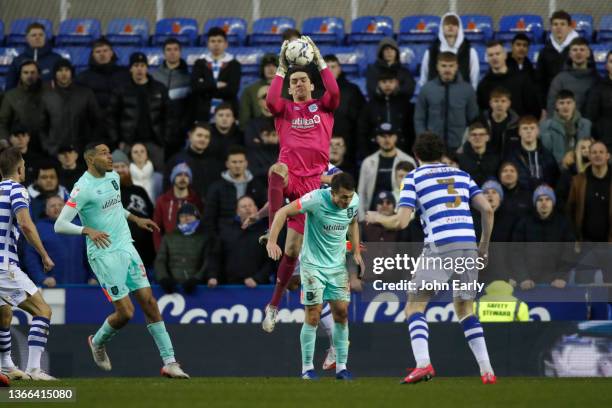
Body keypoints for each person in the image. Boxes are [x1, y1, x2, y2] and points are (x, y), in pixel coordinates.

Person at [365, 131, 496, 384]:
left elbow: (401, 221)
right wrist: (484, 246)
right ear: (441, 154)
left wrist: (377, 217)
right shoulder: (461, 175)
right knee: (466, 310)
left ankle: (423, 364)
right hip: (468, 246)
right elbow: (488, 210)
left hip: (441, 246)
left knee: (414, 306)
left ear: (416, 155)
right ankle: (487, 370)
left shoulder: (413, 177)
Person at [53, 142, 189, 378]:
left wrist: (136, 219)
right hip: (104, 254)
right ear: (90, 159)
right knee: (125, 312)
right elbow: (60, 224)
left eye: (109, 153)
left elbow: (115, 208)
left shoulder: (114, 177)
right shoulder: (82, 188)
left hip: (126, 247)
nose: (110, 158)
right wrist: (87, 230)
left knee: (149, 303)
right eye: (104, 154)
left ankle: (170, 362)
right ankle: (97, 342)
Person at [261, 36, 340, 332]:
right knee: (276, 169)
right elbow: (270, 100)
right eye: (293, 81)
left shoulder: (324, 108)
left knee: (294, 253)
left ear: (311, 84)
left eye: (302, 80)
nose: (298, 85)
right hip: (292, 178)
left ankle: (275, 305)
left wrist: (319, 59)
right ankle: (272, 229)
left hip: (316, 185)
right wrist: (281, 67)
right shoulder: (284, 111)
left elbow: (334, 90)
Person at [266, 172, 363, 380]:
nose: (347, 201)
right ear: (332, 193)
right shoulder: (316, 199)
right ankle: (307, 369)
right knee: (313, 315)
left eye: (349, 196)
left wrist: (355, 250)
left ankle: (342, 368)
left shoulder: (354, 201)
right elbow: (283, 212)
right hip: (312, 267)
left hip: (337, 267)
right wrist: (272, 241)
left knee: (342, 314)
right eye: (343, 197)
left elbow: (353, 222)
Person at [0, 147, 57, 380]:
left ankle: (5, 365)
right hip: (4, 265)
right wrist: (43, 254)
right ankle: (34, 368)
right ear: (21, 168)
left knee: (4, 314)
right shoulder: (17, 189)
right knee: (43, 310)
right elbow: (25, 224)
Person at [107, 52, 169, 170]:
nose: (139, 69)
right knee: (127, 179)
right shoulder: (121, 89)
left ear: (147, 68)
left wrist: (164, 139)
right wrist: (117, 141)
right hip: (128, 143)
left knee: (157, 178)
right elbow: (111, 117)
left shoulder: (159, 88)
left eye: (142, 65)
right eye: (136, 65)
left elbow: (169, 116)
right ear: (130, 68)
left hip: (155, 142)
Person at [512, 185, 575, 289]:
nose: (544, 203)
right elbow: (516, 253)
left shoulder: (563, 224)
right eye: (540, 200)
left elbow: (569, 252)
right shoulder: (524, 224)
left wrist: (562, 277)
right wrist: (523, 278)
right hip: (529, 284)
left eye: (547, 199)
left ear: (552, 202)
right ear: (535, 203)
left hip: (556, 283)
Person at [415, 52, 479, 152]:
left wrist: (467, 143)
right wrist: (424, 141)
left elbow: (473, 120)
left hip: (460, 147)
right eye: (443, 66)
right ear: (437, 67)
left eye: (451, 66)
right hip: (432, 147)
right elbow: (419, 119)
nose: (447, 69)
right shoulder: (427, 89)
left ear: (456, 66)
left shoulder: (467, 90)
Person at [24, 196, 94, 287]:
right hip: (51, 286)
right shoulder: (38, 229)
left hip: (81, 285)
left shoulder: (80, 226)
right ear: (46, 211)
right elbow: (31, 258)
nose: (57, 208)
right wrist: (41, 278)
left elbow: (92, 254)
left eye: (61, 205)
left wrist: (94, 277)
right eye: (52, 206)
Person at [40, 58, 103, 156]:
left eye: (66, 70)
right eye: (60, 70)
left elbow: (96, 121)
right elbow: (42, 126)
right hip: (55, 151)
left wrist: (91, 145)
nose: (63, 74)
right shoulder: (47, 96)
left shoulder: (85, 94)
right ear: (55, 74)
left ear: (71, 72)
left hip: (82, 150)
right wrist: (48, 146)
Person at [207, 196, 272, 286]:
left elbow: (272, 261)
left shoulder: (266, 232)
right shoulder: (227, 231)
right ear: (237, 211)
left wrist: (258, 279)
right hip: (230, 287)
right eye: (244, 206)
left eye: (250, 205)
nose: (248, 208)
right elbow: (216, 256)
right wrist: (212, 276)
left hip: (258, 287)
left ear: (257, 208)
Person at [204, 146, 266, 235]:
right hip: (226, 235)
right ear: (227, 164)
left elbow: (265, 209)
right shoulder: (216, 188)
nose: (237, 165)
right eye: (234, 162)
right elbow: (209, 217)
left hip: (254, 232)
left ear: (246, 163)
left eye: (240, 162)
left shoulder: (257, 185)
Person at [357, 123, 415, 218]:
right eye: (383, 136)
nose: (387, 140)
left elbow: (414, 190)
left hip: (398, 216)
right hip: (372, 216)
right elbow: (361, 192)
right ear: (377, 139)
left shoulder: (408, 161)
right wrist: (362, 217)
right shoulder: (368, 162)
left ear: (396, 137)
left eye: (390, 136)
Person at [358, 67, 415, 159]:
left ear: (396, 83)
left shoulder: (406, 105)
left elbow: (411, 131)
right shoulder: (369, 106)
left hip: (403, 151)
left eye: (391, 82)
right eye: (384, 82)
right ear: (378, 83)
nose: (387, 85)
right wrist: (366, 154)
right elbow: (362, 132)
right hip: (375, 152)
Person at [112, 150, 156, 269]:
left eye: (123, 166)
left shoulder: (139, 191)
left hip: (144, 256)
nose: (120, 170)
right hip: (116, 258)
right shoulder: (103, 193)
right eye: (116, 167)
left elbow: (152, 218)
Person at [155, 203, 209, 295]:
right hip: (172, 287)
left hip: (198, 289)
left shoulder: (205, 238)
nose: (186, 218)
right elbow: (160, 260)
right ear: (178, 219)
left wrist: (197, 279)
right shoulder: (168, 237)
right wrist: (163, 278)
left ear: (197, 217)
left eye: (190, 215)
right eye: (183, 216)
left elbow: (208, 261)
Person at [151, 38, 192, 156]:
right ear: (164, 53)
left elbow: (190, 106)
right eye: (168, 49)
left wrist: (183, 126)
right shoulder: (154, 76)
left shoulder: (188, 78)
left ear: (180, 52)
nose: (172, 52)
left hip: (180, 131)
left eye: (175, 49)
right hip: (158, 129)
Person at [476, 41, 540, 117]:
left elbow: (534, 109)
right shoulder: (483, 85)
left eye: (497, 54)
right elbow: (482, 113)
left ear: (505, 55)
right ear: (487, 59)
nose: (494, 57)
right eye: (491, 55)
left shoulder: (522, 79)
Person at [192, 27, 242, 122]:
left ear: (226, 44)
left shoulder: (234, 64)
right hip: (203, 112)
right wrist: (216, 84)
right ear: (208, 44)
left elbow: (232, 90)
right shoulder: (199, 63)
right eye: (213, 41)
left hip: (228, 111)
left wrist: (205, 86)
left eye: (219, 41)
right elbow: (195, 87)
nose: (216, 44)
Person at [419, 13, 480, 89]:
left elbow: (474, 80)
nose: (450, 26)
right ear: (442, 27)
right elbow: (424, 79)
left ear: (459, 28)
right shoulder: (431, 52)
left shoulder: (470, 51)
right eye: (447, 24)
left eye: (454, 24)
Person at [164, 122, 224, 200]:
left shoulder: (215, 162)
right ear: (190, 136)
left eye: (207, 137)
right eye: (199, 135)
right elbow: (168, 187)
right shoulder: (176, 160)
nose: (203, 139)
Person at [567, 141, 612, 242]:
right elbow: (570, 211)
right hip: (586, 243)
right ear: (589, 156)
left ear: (607, 156)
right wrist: (575, 237)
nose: (598, 155)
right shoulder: (578, 181)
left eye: (601, 152)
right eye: (594, 152)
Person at [153, 162, 204, 251]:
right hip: (169, 249)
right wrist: (161, 250)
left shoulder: (196, 201)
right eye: (179, 175)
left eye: (186, 175)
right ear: (173, 178)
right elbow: (156, 228)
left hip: (191, 250)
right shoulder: (162, 200)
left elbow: (201, 229)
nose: (183, 178)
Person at [324, 54, 366, 160]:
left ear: (339, 69)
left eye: (333, 67)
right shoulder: (311, 92)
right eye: (326, 68)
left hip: (348, 146)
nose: (330, 70)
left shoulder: (352, 90)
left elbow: (361, 119)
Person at [536, 10, 580, 107]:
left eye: (562, 24)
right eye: (555, 24)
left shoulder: (580, 49)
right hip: (552, 103)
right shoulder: (544, 52)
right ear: (551, 28)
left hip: (575, 103)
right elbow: (540, 82)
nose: (558, 27)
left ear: (569, 27)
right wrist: (543, 106)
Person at [546, 38, 599, 115]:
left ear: (588, 53)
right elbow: (551, 106)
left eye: (582, 50)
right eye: (575, 50)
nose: (578, 53)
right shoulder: (559, 79)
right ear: (570, 54)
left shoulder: (596, 80)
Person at [75, 38, 131, 111]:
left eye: (105, 51)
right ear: (93, 55)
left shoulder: (124, 74)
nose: (102, 54)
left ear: (111, 53)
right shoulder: (82, 78)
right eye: (98, 52)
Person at [505, 116, 559, 191]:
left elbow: (554, 180)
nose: (529, 131)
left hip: (542, 197)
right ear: (519, 132)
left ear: (537, 131)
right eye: (525, 128)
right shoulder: (511, 157)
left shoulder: (547, 156)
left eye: (532, 128)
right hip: (520, 197)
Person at [0, 61, 45, 150]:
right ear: (20, 75)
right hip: (18, 147)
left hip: (43, 148)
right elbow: (2, 123)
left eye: (33, 72)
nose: (29, 76)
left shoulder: (48, 94)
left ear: (38, 75)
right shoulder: (11, 96)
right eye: (25, 72)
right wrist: (5, 141)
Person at [540, 90, 592, 164]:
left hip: (582, 168)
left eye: (569, 102)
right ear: (556, 106)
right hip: (556, 169)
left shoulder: (586, 124)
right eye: (561, 103)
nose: (565, 106)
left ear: (574, 104)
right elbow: (545, 154)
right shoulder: (545, 126)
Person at [5, 22, 62, 90]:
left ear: (45, 38)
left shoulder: (56, 59)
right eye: (34, 35)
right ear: (27, 38)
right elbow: (10, 88)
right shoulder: (18, 61)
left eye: (41, 35)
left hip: (49, 98)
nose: (37, 37)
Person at [239, 54, 277, 130]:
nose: (271, 69)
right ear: (262, 69)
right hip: (257, 131)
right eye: (267, 66)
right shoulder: (249, 90)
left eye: (274, 66)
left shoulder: (289, 89)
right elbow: (244, 120)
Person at [477, 87, 519, 156]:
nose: (499, 104)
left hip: (509, 162)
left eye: (503, 101)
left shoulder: (516, 124)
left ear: (509, 103)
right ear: (490, 103)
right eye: (496, 101)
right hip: (486, 160)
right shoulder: (481, 121)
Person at [458, 122, 501, 186]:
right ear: (469, 138)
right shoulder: (460, 159)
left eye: (481, 134)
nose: (477, 137)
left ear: (487, 138)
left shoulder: (496, 159)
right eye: (474, 135)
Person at [586, 51, 612, 148]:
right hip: (606, 143)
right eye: (611, 61)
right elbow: (590, 116)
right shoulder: (597, 88)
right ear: (606, 66)